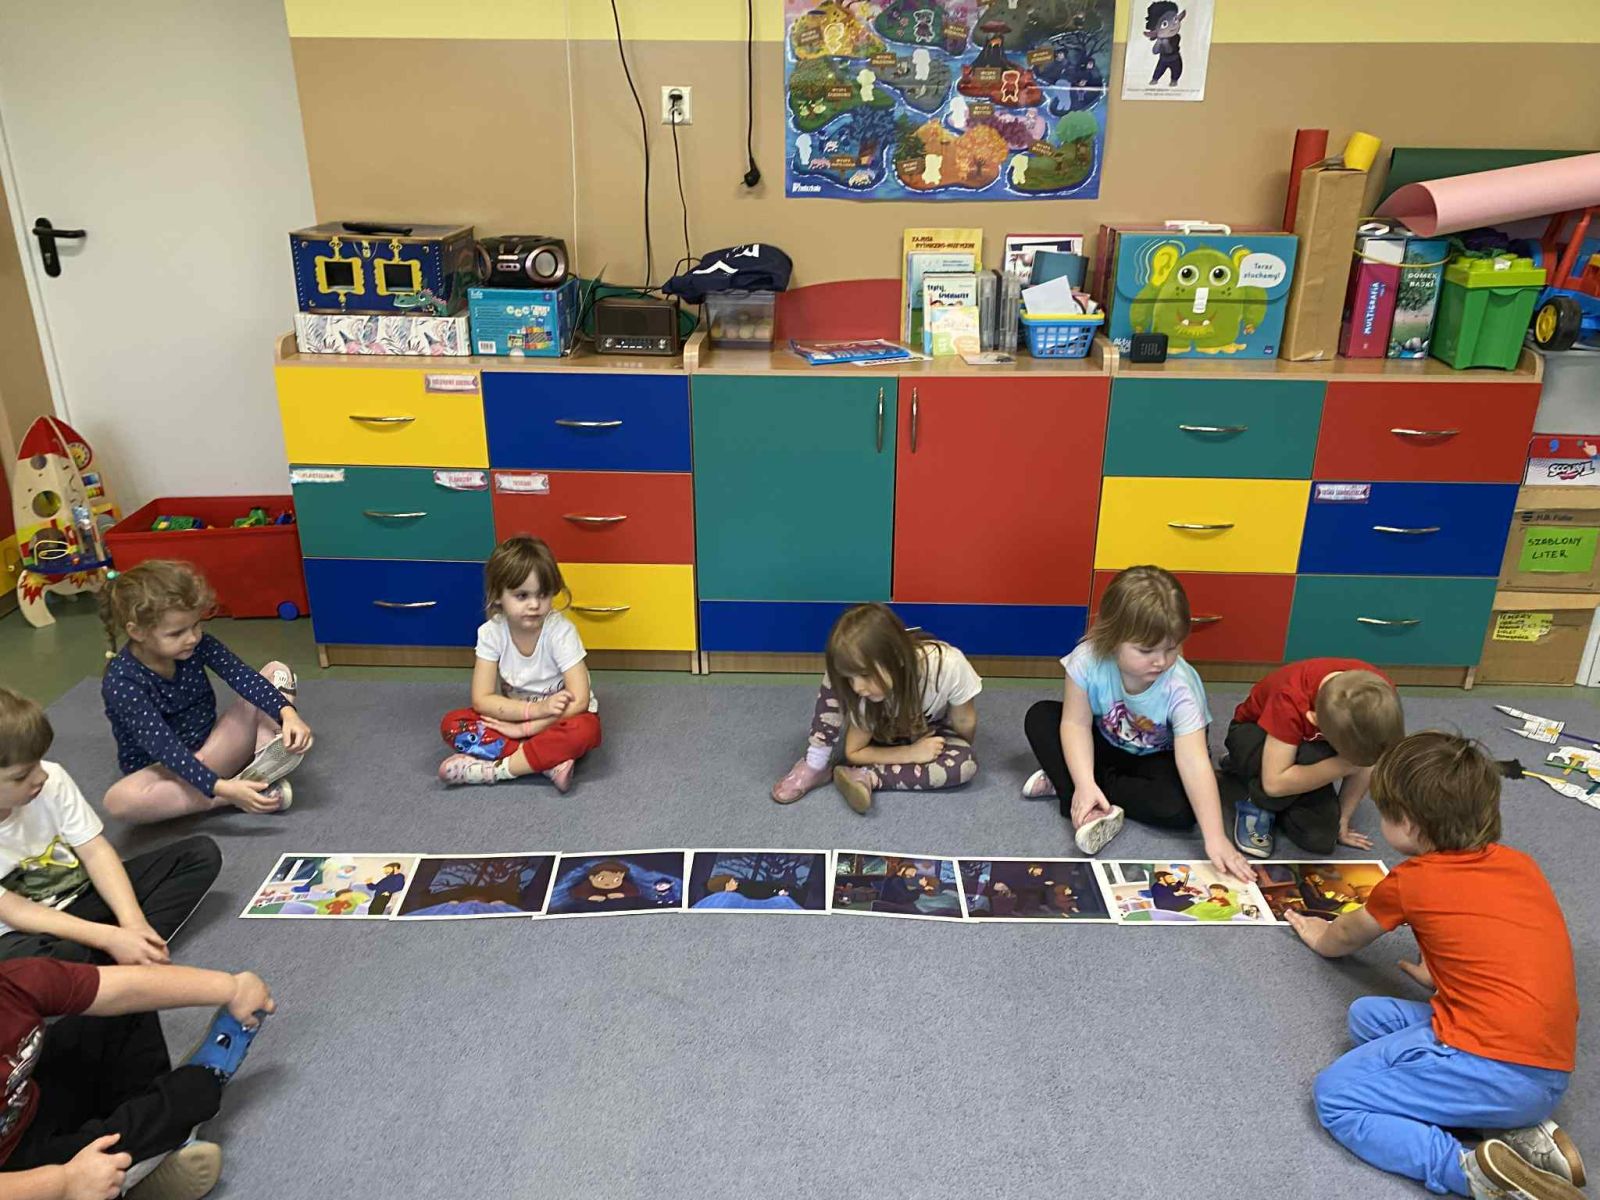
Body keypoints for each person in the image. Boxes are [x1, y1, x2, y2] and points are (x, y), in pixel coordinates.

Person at [1288, 732, 1584, 1200]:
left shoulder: (1411, 881)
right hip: (1547, 1070)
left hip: (1489, 1064)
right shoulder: (1521, 865)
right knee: (1366, 1016)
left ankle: (1471, 1173)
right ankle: (1517, 1133)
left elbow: (1346, 935)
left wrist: (1318, 936)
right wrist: (1441, 974)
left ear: (1408, 824)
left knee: (1336, 1096)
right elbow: (1484, 927)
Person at [1021, 565, 1254, 880]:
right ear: (1112, 637)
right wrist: (1085, 782)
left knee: (1181, 812)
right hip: (1104, 740)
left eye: (1172, 648)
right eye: (1146, 650)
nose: (1161, 661)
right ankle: (1085, 789)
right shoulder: (1086, 659)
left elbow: (1194, 760)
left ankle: (1073, 788)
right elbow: (1075, 725)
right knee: (1040, 717)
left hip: (1157, 757)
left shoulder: (1181, 685)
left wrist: (1216, 838)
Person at [0, 957, 274, 1200]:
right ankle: (134, 1169)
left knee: (122, 1012)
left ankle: (136, 1162)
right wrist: (64, 1183)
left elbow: (123, 989)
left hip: (24, 1100)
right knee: (195, 1091)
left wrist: (232, 988)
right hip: (15, 1170)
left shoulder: (11, 982)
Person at [0, 688, 220, 967]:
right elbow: (16, 911)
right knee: (27, 961)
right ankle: (116, 964)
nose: (41, 776)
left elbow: (95, 851)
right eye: (21, 776)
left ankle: (122, 959)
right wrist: (108, 937)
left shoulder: (51, 778)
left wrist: (133, 923)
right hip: (24, 930)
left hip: (84, 896)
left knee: (199, 854)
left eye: (38, 763)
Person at [98, 561, 312, 823]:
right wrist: (221, 789)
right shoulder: (122, 681)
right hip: (168, 772)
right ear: (137, 632)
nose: (192, 637)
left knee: (277, 671)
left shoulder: (196, 645)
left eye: (196, 625)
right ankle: (235, 794)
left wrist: (288, 714)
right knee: (119, 800)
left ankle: (263, 760)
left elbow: (241, 676)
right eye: (176, 633)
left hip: (214, 748)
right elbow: (164, 747)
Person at [770, 604, 981, 814]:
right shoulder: (867, 696)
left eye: (865, 675)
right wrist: (910, 753)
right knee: (839, 669)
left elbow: (964, 721)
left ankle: (867, 776)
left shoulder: (949, 665)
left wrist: (954, 749)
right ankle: (816, 763)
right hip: (882, 733)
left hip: (927, 732)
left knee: (965, 765)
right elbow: (854, 752)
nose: (857, 688)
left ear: (897, 658)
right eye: (852, 679)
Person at [438, 537, 602, 790]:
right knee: (453, 724)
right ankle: (544, 760)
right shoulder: (491, 633)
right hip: (514, 718)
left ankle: (496, 770)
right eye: (522, 595)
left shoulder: (560, 632)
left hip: (559, 720)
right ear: (498, 596)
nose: (534, 605)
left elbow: (579, 701)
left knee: (586, 730)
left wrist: (531, 726)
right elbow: (482, 699)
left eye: (543, 594)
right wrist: (530, 714)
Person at [1220, 658, 1404, 858]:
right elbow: (1274, 784)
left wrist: (1343, 818)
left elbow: (1368, 760)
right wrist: (1345, 766)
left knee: (1320, 839)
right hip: (1253, 734)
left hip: (1310, 753)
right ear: (1313, 719)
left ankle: (1251, 777)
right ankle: (1255, 794)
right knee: (1307, 760)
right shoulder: (1291, 699)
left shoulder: (1380, 695)